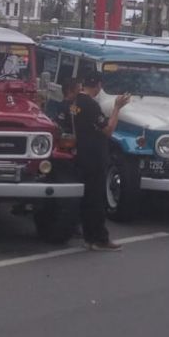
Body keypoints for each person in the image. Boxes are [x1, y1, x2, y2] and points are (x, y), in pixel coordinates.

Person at [71, 71, 130, 251]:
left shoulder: (75, 103)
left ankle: (89, 237)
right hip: (94, 157)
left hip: (80, 154)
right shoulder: (90, 105)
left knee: (87, 198)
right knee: (96, 200)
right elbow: (108, 130)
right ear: (97, 86)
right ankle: (100, 238)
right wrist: (117, 108)